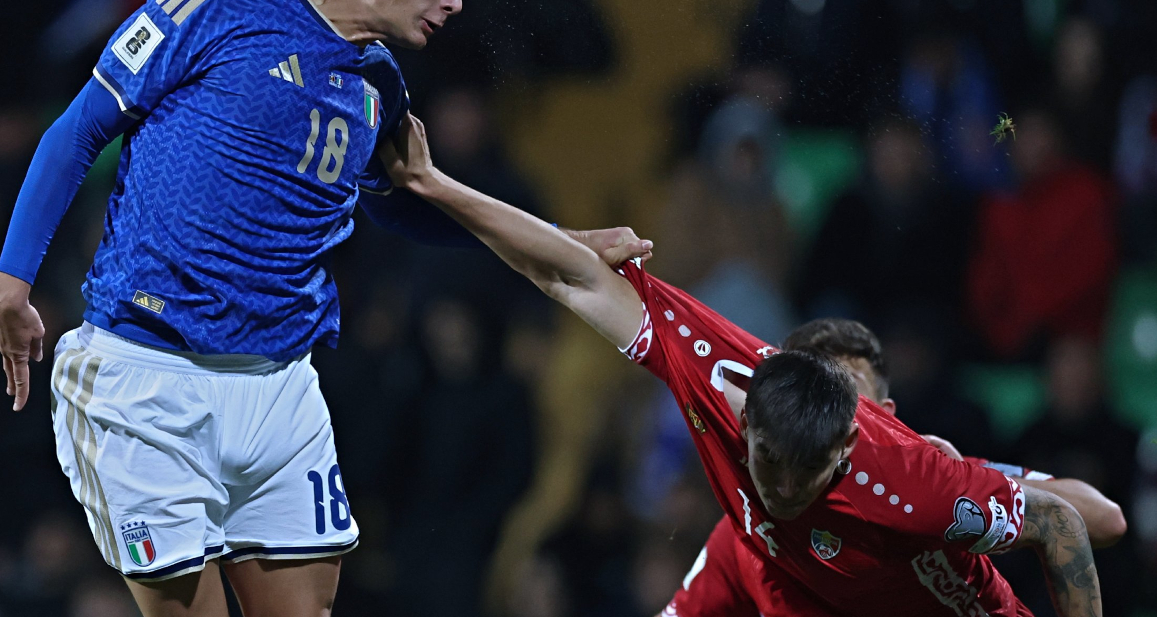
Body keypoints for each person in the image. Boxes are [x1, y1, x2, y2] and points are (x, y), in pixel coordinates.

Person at [0, 0, 530, 617]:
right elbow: (81, 128)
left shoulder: (379, 85)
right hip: (147, 378)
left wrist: (542, 245)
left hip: (278, 389)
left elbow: (399, 210)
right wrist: (13, 277)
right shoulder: (225, 1)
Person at [379, 114, 1104, 617]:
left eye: (806, 471)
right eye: (769, 461)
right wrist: (437, 186)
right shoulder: (718, 376)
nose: (782, 489)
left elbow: (1072, 522)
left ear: (852, 442)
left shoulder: (916, 478)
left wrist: (1005, 483)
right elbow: (568, 274)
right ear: (742, 418)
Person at [661, 318, 1126, 617]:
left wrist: (976, 480)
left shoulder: (934, 486)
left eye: (852, 407)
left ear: (885, 418)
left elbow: (1103, 519)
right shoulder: (748, 531)